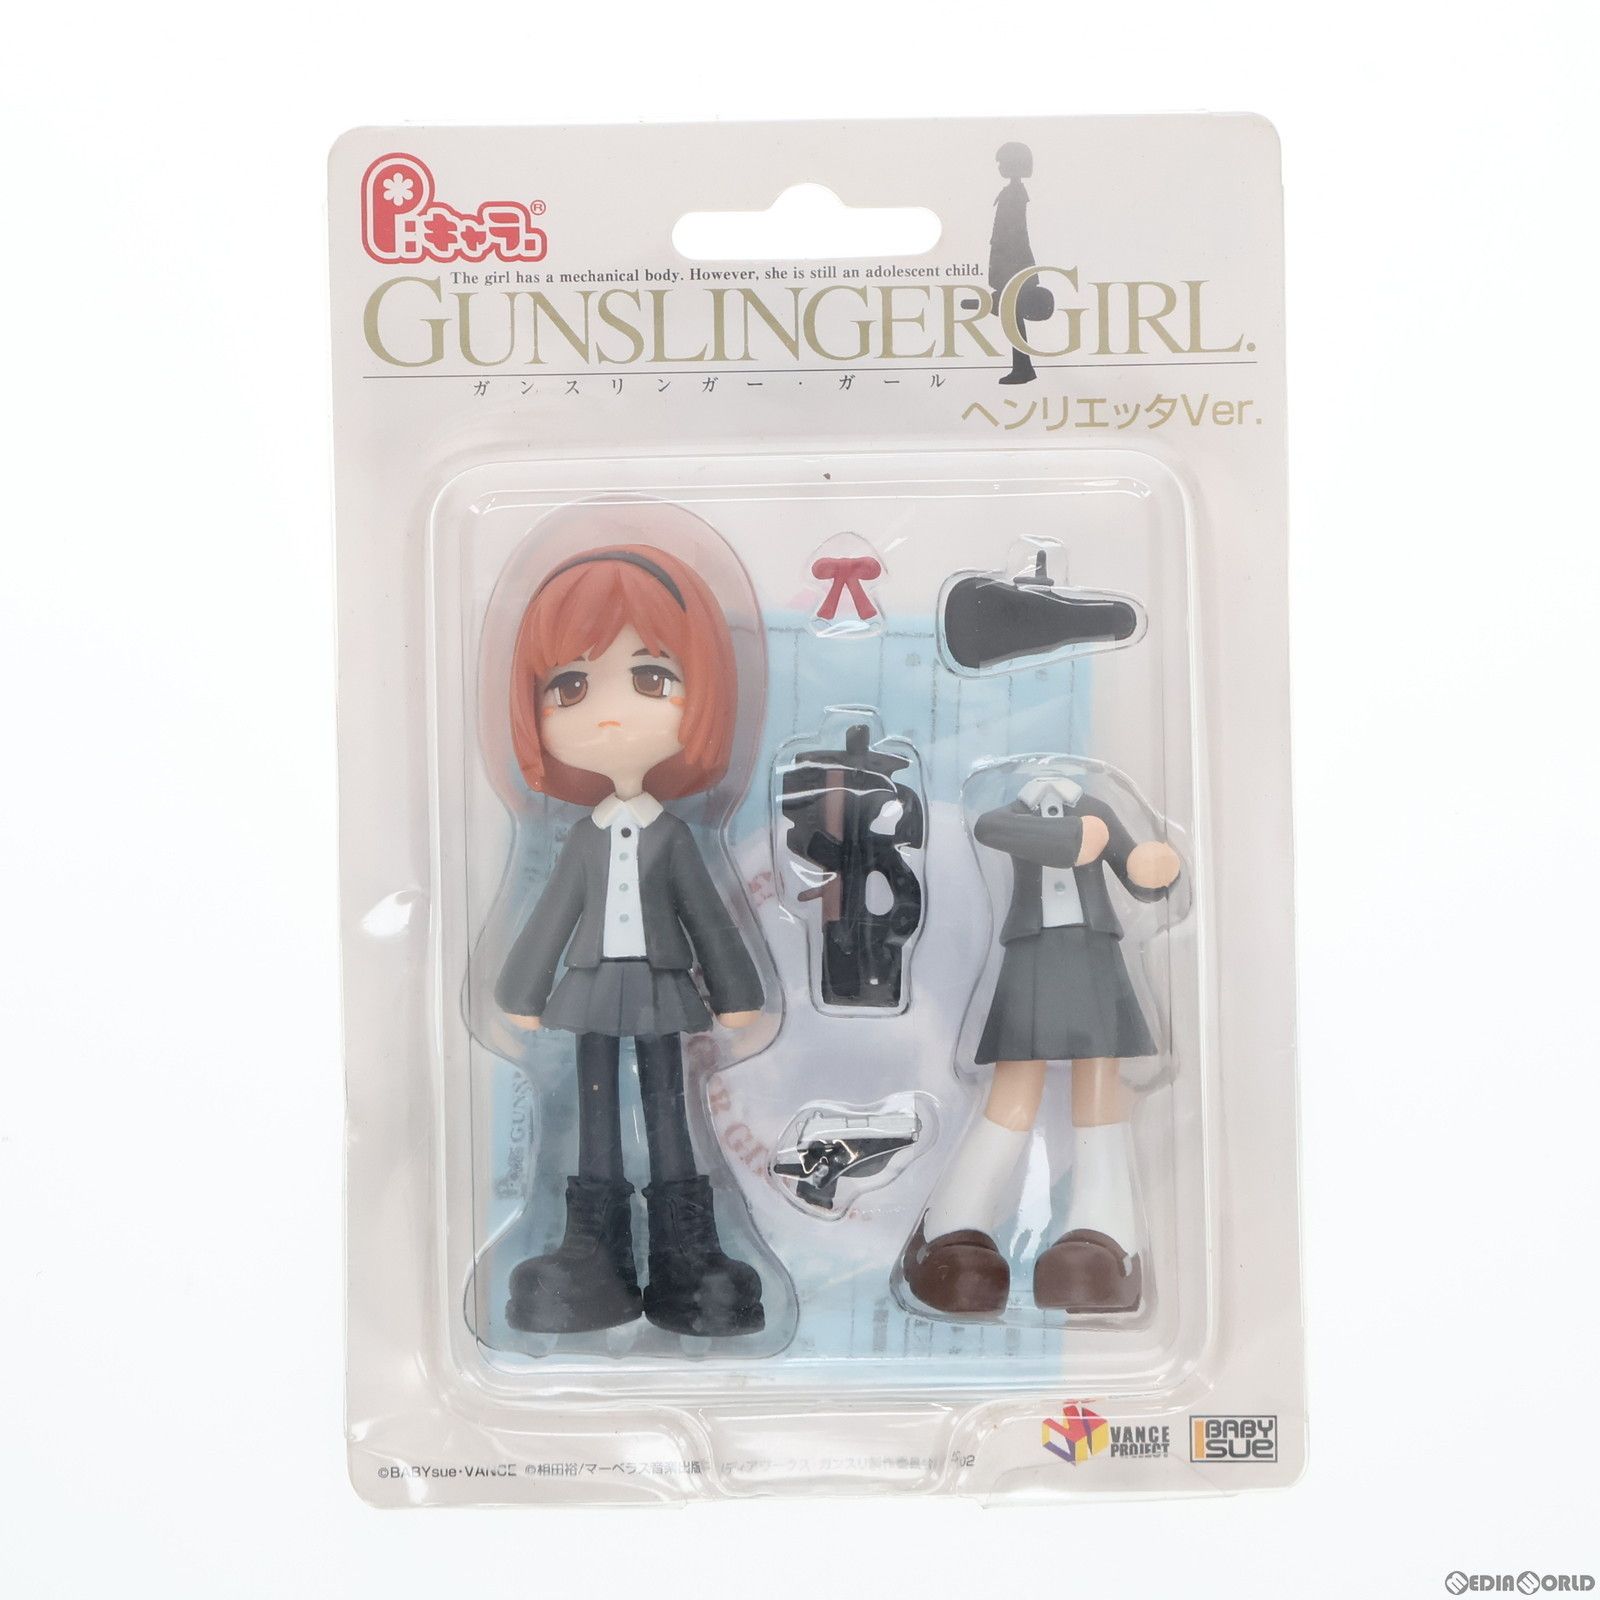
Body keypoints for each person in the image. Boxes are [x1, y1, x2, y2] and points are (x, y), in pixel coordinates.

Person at [495, 544, 766, 1337]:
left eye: (652, 679)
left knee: (667, 1106)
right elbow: (552, 916)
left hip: (659, 988)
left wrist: (738, 994)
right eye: (570, 688)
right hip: (588, 987)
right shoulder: (584, 839)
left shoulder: (671, 837)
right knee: (596, 1113)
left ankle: (687, 1250)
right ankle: (594, 1250)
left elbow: (708, 918)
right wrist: (521, 990)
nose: (608, 713)